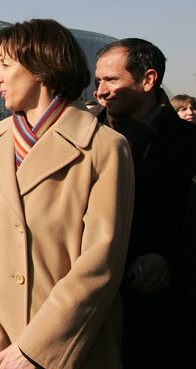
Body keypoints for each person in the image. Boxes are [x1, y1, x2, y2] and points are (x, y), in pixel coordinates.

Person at [0, 19, 135, 369]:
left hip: (56, 346)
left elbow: (100, 263)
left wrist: (39, 347)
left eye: (5, 65)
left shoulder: (104, 148)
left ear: (41, 69)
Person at [94, 38, 196, 366]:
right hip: (98, 313)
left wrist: (169, 259)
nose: (100, 91)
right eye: (98, 81)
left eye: (112, 80)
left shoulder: (189, 144)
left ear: (148, 80)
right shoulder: (86, 138)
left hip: (170, 319)